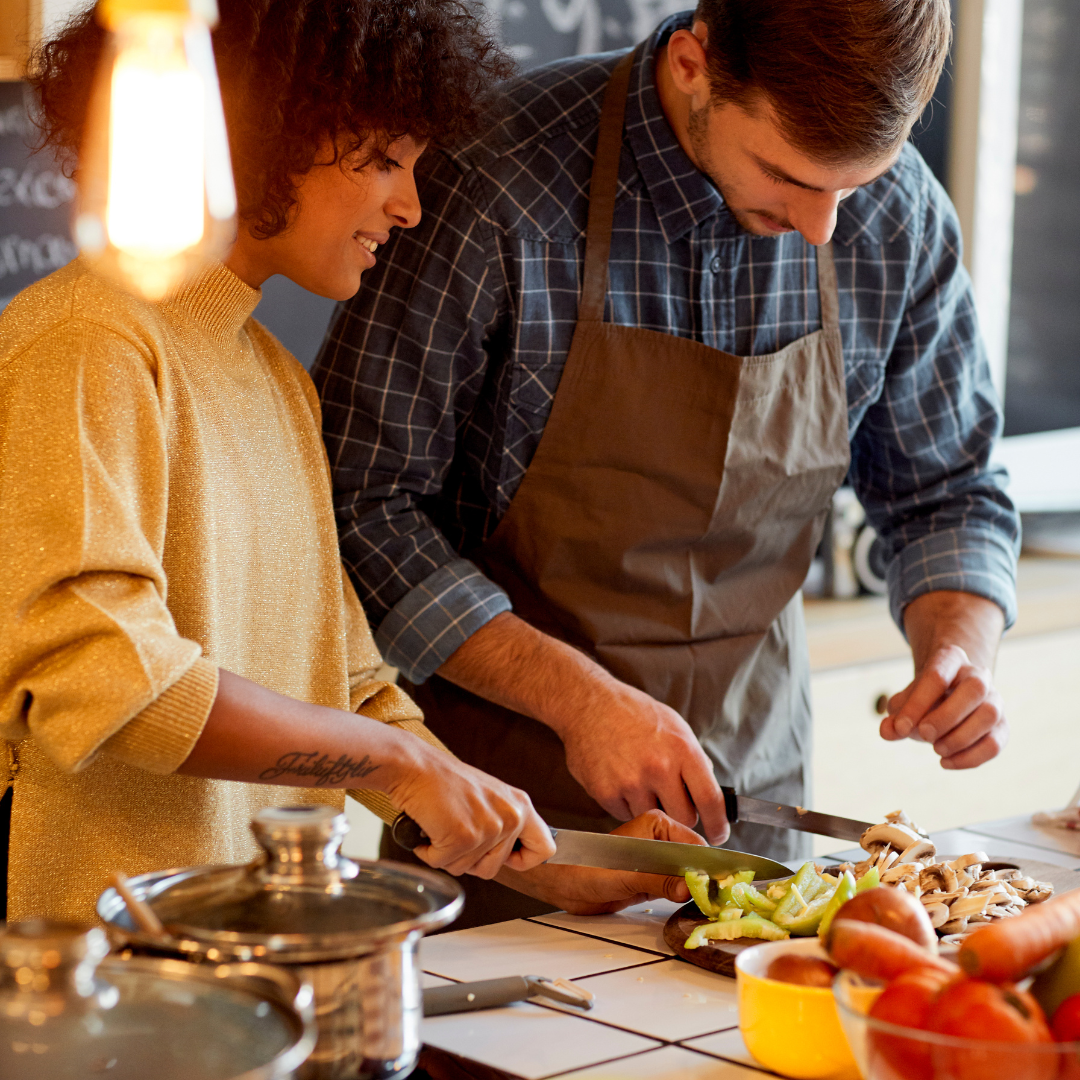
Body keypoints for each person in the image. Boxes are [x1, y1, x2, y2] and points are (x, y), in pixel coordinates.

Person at [314, 0, 1020, 925]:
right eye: (784, 174)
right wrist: (581, 703)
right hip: (506, 828)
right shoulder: (494, 180)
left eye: (851, 188)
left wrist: (960, 649)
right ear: (692, 64)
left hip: (760, 815)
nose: (819, 227)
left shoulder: (899, 216)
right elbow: (359, 503)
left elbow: (950, 489)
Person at [0, 0, 704, 924]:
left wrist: (543, 860)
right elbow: (117, 686)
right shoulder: (87, 342)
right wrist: (401, 764)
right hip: (98, 986)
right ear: (261, 134)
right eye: (381, 158)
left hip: (259, 966)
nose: (409, 204)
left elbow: (351, 686)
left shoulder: (277, 381)